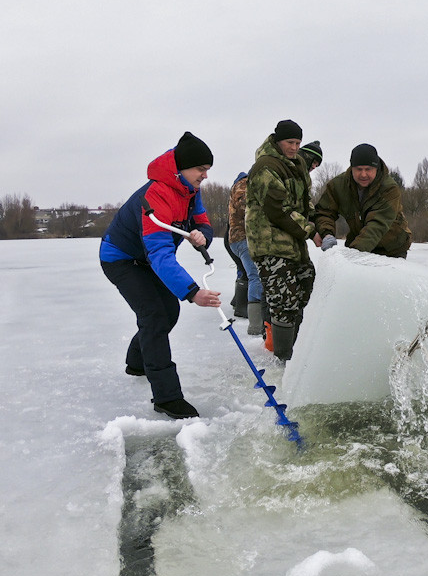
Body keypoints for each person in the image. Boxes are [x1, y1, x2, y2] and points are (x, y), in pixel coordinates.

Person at [100, 132, 222, 419]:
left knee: (169, 310)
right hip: (121, 259)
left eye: (207, 170)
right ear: (182, 168)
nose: (204, 176)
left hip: (145, 259)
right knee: (154, 315)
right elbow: (160, 255)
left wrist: (201, 236)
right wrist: (193, 292)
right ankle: (167, 398)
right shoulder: (155, 195)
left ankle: (137, 362)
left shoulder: (190, 190)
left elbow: (202, 221)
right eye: (200, 170)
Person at [245, 119, 316, 362]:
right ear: (278, 140)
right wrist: (310, 230)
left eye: (298, 142)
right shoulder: (265, 167)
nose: (294, 147)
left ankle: (296, 350)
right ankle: (284, 359)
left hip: (293, 244)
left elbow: (305, 203)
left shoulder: (297, 165)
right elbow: (278, 209)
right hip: (270, 244)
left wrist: (317, 222)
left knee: (306, 286)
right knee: (283, 300)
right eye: (290, 142)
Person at [314, 143, 412, 258]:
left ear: (376, 168)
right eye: (359, 169)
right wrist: (327, 234)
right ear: (351, 168)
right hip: (357, 242)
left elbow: (377, 225)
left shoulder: (389, 189)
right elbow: (324, 212)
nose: (363, 174)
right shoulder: (338, 186)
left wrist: (352, 255)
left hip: (391, 249)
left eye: (368, 169)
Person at [226, 171, 264, 335]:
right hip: (243, 239)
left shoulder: (242, 184)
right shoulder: (244, 184)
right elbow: (245, 207)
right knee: (255, 275)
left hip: (238, 239)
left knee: (245, 273)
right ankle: (255, 325)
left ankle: (239, 305)